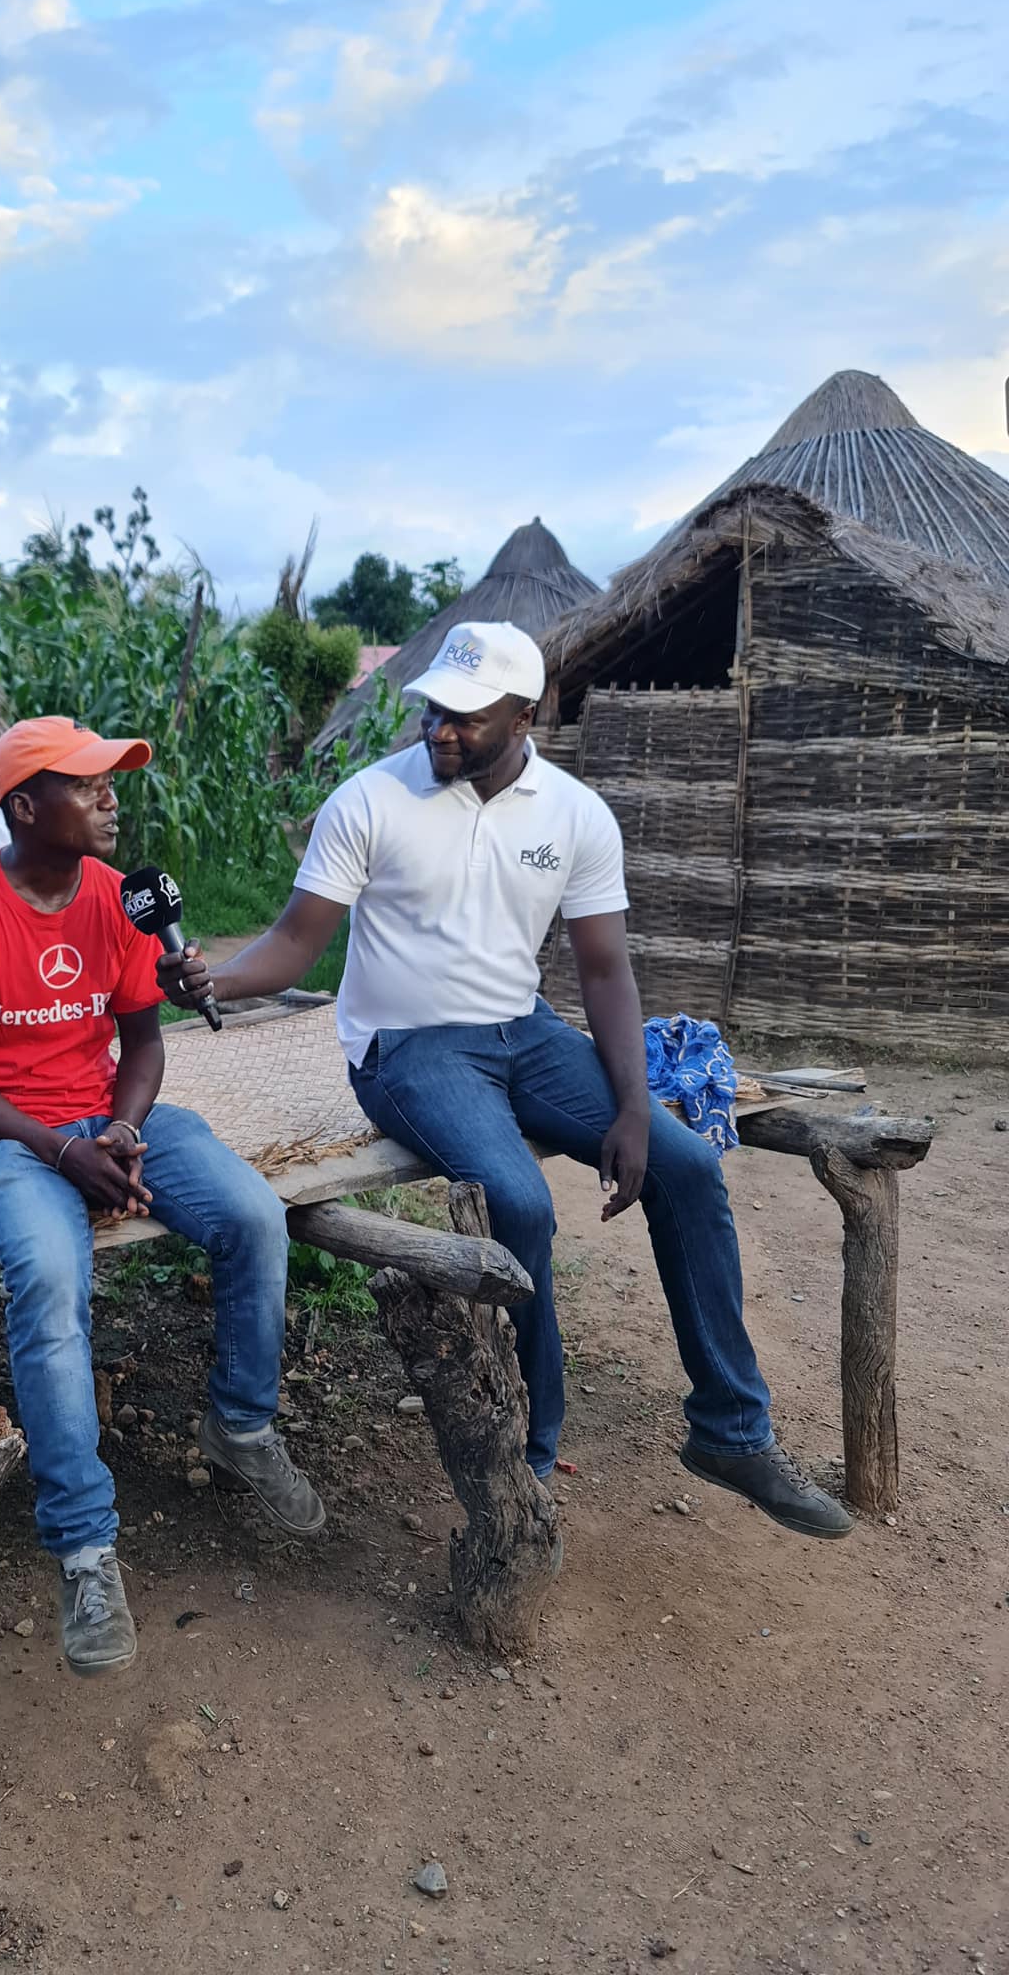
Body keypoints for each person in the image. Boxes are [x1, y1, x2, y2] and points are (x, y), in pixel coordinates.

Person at [158, 623, 851, 1540]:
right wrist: (216, 979)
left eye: (466, 719)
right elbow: (294, 942)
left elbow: (605, 973)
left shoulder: (573, 814)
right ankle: (529, 1445)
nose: (440, 732)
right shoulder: (368, 802)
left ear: (527, 718)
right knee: (519, 1202)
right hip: (406, 1048)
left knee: (687, 1167)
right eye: (435, 712)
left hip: (524, 1033)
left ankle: (731, 1430)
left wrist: (635, 1108)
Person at [0, 716, 325, 1680]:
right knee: (52, 1279)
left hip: (108, 1120)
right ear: (23, 806)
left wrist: (123, 1134)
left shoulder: (121, 902)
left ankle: (242, 1426)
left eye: (111, 783)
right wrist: (62, 1150)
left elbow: (143, 1042)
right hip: (3, 1140)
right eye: (88, 785)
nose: (111, 799)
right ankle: (86, 1549)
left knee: (254, 1216)